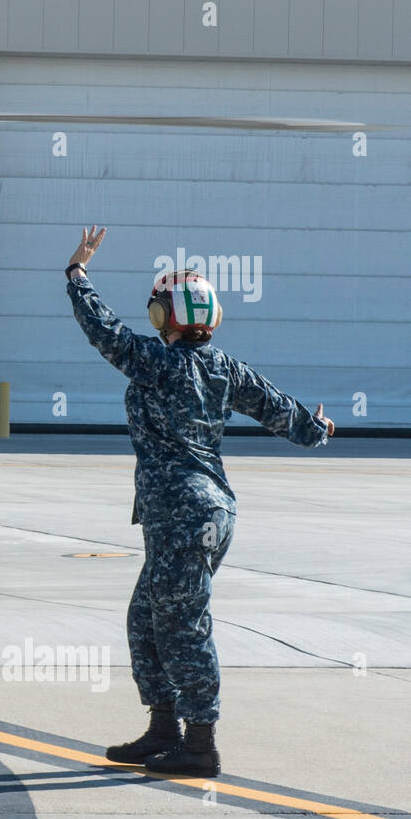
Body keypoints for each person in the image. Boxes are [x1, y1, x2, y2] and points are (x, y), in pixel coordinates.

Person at [65, 226, 334, 777]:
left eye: (157, 310)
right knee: (147, 618)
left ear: (167, 317)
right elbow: (276, 407)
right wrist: (317, 428)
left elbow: (103, 329)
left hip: (182, 513)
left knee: (183, 623)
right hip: (207, 512)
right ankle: (164, 729)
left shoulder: (155, 362)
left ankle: (200, 744)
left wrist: (77, 275)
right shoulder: (223, 367)